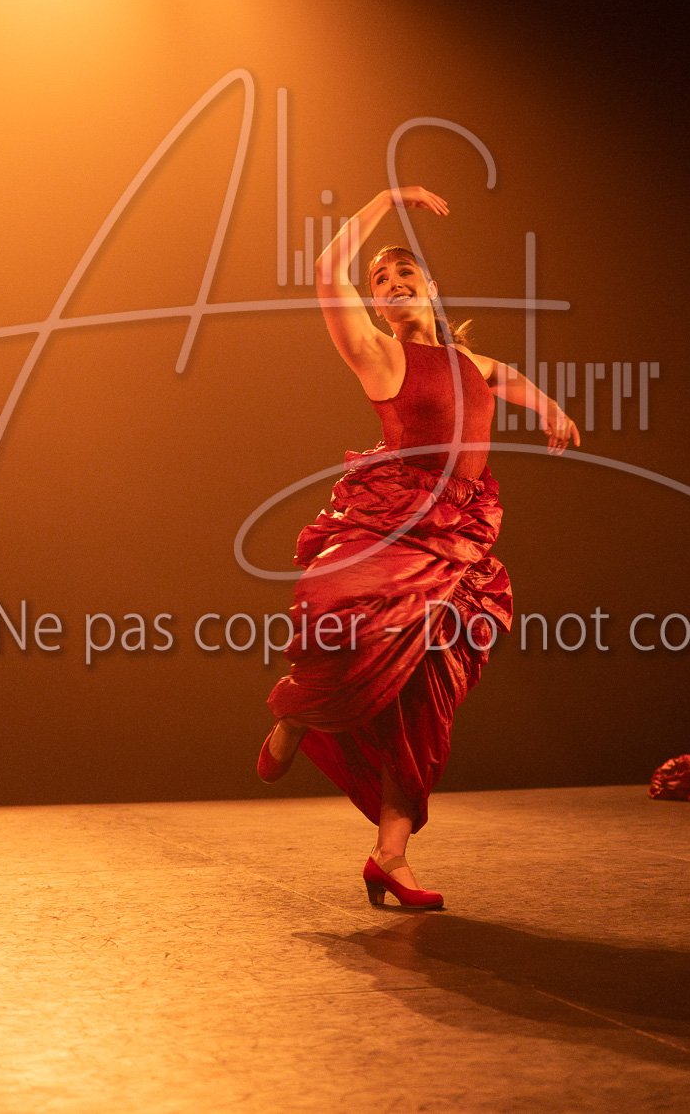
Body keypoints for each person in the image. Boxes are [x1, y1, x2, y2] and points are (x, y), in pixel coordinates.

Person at [256, 186, 580, 909]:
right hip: (397, 522)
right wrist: (386, 199)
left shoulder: (469, 359)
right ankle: (298, 710)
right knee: (344, 615)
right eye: (381, 279)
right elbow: (325, 270)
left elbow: (506, 376)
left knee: (427, 695)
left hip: (460, 539)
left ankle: (390, 856)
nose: (394, 283)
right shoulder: (376, 352)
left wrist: (550, 408)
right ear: (376, 304)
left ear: (430, 288)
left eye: (406, 273)